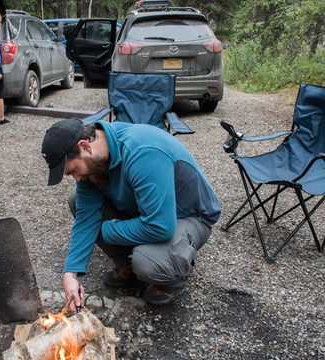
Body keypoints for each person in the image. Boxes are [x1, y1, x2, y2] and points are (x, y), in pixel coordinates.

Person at [41, 119, 221, 309]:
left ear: (85, 146)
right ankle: (124, 261)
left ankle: (171, 280)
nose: (77, 178)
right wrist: (70, 274)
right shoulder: (95, 161)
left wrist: (107, 230)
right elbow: (86, 217)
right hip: (146, 210)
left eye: (74, 170)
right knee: (76, 199)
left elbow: (160, 227)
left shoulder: (142, 152)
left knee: (148, 262)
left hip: (188, 216)